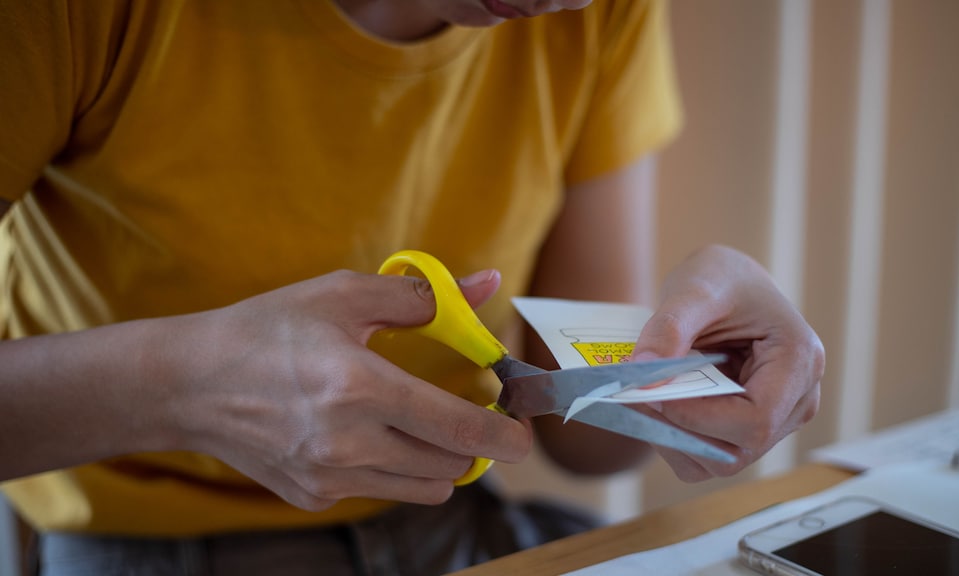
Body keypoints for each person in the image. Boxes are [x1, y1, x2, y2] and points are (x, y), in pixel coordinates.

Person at [0, 0, 824, 574]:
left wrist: (694, 370)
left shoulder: (602, 11)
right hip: (138, 546)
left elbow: (586, 443)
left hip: (447, 524)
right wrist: (186, 385)